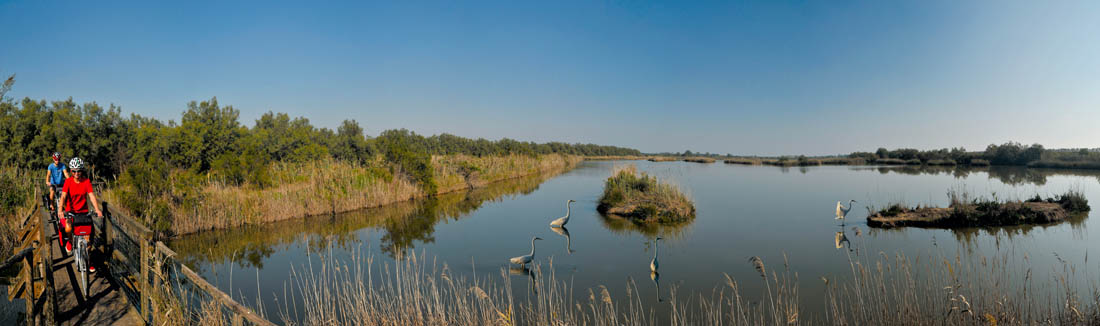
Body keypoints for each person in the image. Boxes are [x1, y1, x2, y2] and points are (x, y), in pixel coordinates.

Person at [57, 157, 103, 273]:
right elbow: (63, 196)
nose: (76, 173)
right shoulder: (68, 182)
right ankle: (70, 241)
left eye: (79, 171)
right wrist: (60, 210)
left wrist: (97, 209)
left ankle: (89, 261)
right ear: (71, 171)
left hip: (84, 213)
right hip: (70, 212)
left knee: (88, 240)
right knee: (68, 228)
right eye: (73, 171)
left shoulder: (86, 182)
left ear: (82, 171)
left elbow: (91, 196)